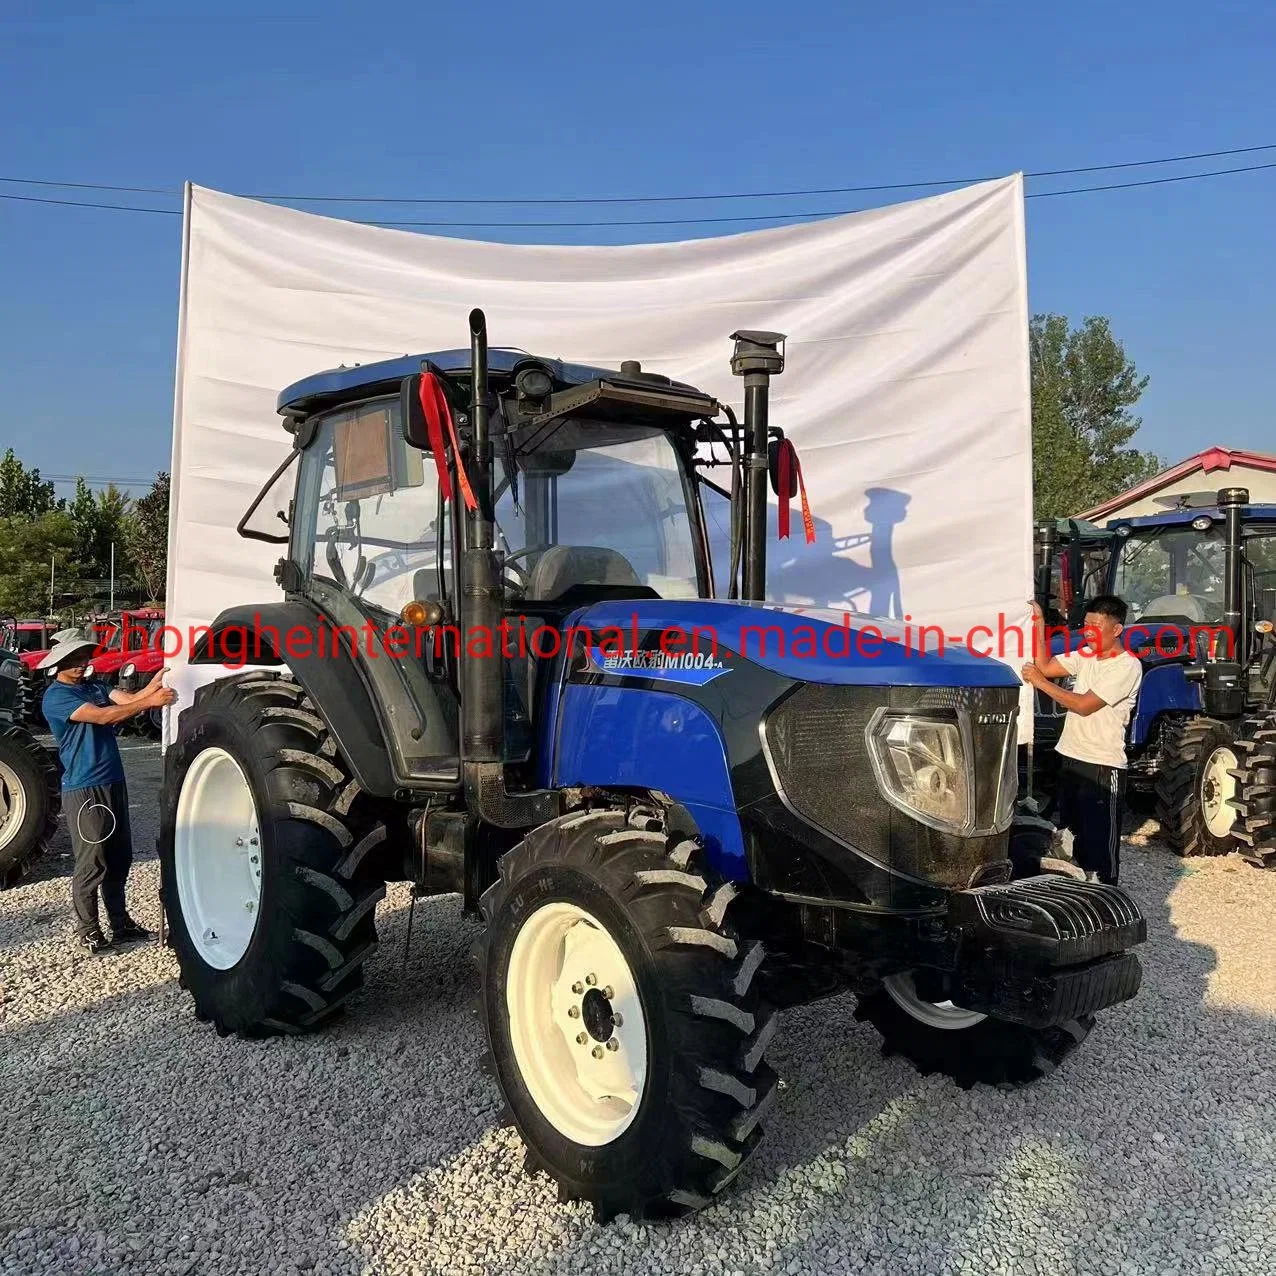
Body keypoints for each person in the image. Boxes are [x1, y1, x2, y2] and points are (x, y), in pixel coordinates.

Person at [38, 632, 178, 955]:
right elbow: (104, 716)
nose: (82, 663)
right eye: (75, 659)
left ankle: (121, 923)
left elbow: (127, 700)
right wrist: (150, 702)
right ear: (59, 664)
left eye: (84, 657)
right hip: (85, 788)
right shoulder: (56, 697)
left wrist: (153, 685)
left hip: (113, 781)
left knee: (119, 857)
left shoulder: (95, 686)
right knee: (92, 860)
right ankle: (88, 930)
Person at [1020, 594, 1142, 885]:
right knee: (1068, 840)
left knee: (1100, 848)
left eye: (1096, 626)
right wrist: (1038, 623)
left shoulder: (1126, 666)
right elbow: (1046, 664)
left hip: (1102, 766)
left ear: (1116, 629)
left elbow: (1084, 705)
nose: (1089, 631)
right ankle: (1077, 896)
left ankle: (1108, 901)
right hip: (1072, 758)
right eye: (1086, 624)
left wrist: (1041, 683)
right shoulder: (1086, 655)